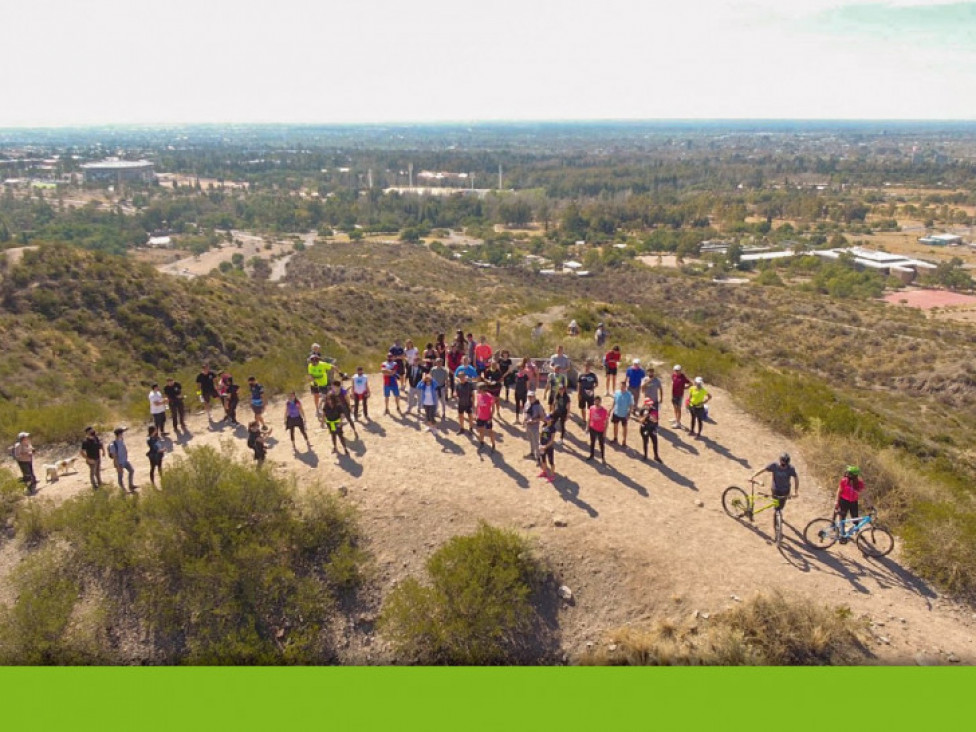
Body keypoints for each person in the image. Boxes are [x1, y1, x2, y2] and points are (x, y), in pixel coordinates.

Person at [835, 466, 865, 543]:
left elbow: (864, 493)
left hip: (854, 502)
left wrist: (870, 504)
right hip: (844, 501)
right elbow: (839, 491)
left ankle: (857, 531)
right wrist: (837, 502)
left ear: (854, 476)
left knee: (855, 517)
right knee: (842, 517)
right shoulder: (844, 481)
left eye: (849, 474)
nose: (847, 475)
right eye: (847, 473)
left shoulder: (860, 483)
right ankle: (842, 534)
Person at [108, 427, 136, 493]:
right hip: (119, 462)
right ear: (119, 434)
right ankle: (123, 490)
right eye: (122, 433)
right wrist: (117, 466)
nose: (123, 434)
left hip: (125, 461)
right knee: (120, 477)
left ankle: (130, 485)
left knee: (131, 471)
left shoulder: (121, 440)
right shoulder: (113, 445)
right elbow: (114, 456)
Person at [321, 390, 350, 455]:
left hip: (337, 423)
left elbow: (342, 414)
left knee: (340, 436)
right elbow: (324, 414)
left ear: (333, 398)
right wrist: (322, 422)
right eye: (327, 399)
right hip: (330, 424)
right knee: (333, 435)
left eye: (330, 399)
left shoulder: (338, 405)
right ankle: (335, 447)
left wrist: (340, 422)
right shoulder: (326, 405)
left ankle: (345, 448)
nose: (329, 401)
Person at [637, 399, 662, 463]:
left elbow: (656, 420)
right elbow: (640, 420)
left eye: (650, 404)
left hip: (652, 428)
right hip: (644, 429)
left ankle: (656, 456)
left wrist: (652, 418)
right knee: (645, 442)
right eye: (648, 404)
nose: (650, 405)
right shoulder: (642, 410)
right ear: (645, 404)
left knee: (655, 442)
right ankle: (645, 456)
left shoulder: (654, 410)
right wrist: (646, 416)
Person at [475, 383, 497, 453]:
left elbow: (493, 408)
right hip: (480, 417)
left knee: (490, 432)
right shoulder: (478, 395)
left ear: (482, 389)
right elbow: (477, 405)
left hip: (488, 418)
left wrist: (491, 417)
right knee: (480, 431)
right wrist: (476, 414)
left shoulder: (490, 397)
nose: (477, 390)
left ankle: (493, 444)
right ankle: (482, 443)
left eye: (478, 388)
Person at [523, 390, 545, 460]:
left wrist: (534, 420)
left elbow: (543, 417)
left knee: (536, 442)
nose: (530, 398)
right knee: (530, 440)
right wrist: (524, 421)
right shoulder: (526, 404)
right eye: (529, 396)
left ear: (534, 397)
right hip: (528, 426)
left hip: (535, 427)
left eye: (531, 397)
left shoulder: (538, 406)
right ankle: (532, 453)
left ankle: (538, 457)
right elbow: (525, 412)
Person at [586, 396, 608, 464]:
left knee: (601, 444)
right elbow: (589, 418)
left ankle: (602, 457)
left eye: (598, 401)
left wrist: (605, 431)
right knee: (592, 443)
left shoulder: (604, 411)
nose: (597, 403)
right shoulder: (591, 408)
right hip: (592, 428)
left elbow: (606, 422)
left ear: (600, 402)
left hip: (600, 430)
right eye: (596, 401)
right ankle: (592, 455)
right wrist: (587, 427)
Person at [577, 360, 599, 426]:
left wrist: (592, 389)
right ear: (584, 366)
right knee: (582, 408)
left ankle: (590, 421)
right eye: (586, 366)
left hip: (590, 395)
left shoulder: (593, 375)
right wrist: (578, 393)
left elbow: (597, 384)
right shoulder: (581, 375)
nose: (587, 367)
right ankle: (584, 420)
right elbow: (579, 385)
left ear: (590, 367)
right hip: (582, 394)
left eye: (588, 366)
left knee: (591, 409)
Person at [670, 365, 693, 430]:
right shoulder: (673, 375)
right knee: (675, 407)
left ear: (680, 370)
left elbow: (691, 383)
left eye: (678, 370)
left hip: (679, 395)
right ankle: (676, 418)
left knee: (678, 409)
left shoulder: (683, 378)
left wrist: (685, 388)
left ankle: (678, 423)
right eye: (675, 370)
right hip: (673, 394)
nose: (676, 372)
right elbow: (673, 382)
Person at [538, 413, 558, 483]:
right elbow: (541, 435)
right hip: (542, 446)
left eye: (548, 419)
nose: (546, 419)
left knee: (551, 462)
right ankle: (544, 472)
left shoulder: (553, 428)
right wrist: (540, 444)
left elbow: (552, 441)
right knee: (543, 460)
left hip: (549, 448)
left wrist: (545, 447)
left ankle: (552, 476)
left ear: (552, 420)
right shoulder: (544, 425)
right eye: (546, 418)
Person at [455, 370, 475, 434]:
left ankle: (471, 428)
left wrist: (473, 404)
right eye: (460, 377)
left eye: (462, 376)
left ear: (465, 376)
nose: (461, 378)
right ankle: (462, 428)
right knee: (461, 416)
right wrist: (456, 396)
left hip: (468, 403)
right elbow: (456, 393)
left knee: (470, 416)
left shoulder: (470, 384)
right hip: (461, 403)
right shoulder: (458, 385)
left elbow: (473, 394)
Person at [513, 358, 532, 424]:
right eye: (519, 368)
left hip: (524, 393)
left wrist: (527, 393)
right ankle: (517, 419)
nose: (520, 370)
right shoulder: (515, 375)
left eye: (521, 368)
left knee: (524, 406)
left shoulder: (525, 376)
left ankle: (524, 420)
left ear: (523, 368)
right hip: (517, 392)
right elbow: (515, 383)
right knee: (517, 405)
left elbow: (527, 385)